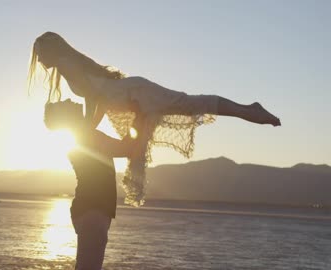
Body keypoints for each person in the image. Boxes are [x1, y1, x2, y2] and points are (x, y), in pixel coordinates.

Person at [29, 31, 281, 206]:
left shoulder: (65, 63)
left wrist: (86, 128)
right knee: (189, 104)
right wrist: (87, 127)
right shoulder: (68, 63)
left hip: (136, 93)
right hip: (130, 94)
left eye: (39, 53)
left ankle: (248, 110)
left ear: (51, 50)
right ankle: (246, 110)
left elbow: (95, 98)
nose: (39, 59)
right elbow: (93, 98)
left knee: (189, 103)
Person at [44, 99, 136, 270]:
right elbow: (127, 149)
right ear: (68, 116)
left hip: (89, 210)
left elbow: (97, 106)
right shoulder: (87, 136)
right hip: (93, 211)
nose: (71, 100)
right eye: (66, 103)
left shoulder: (83, 134)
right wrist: (138, 120)